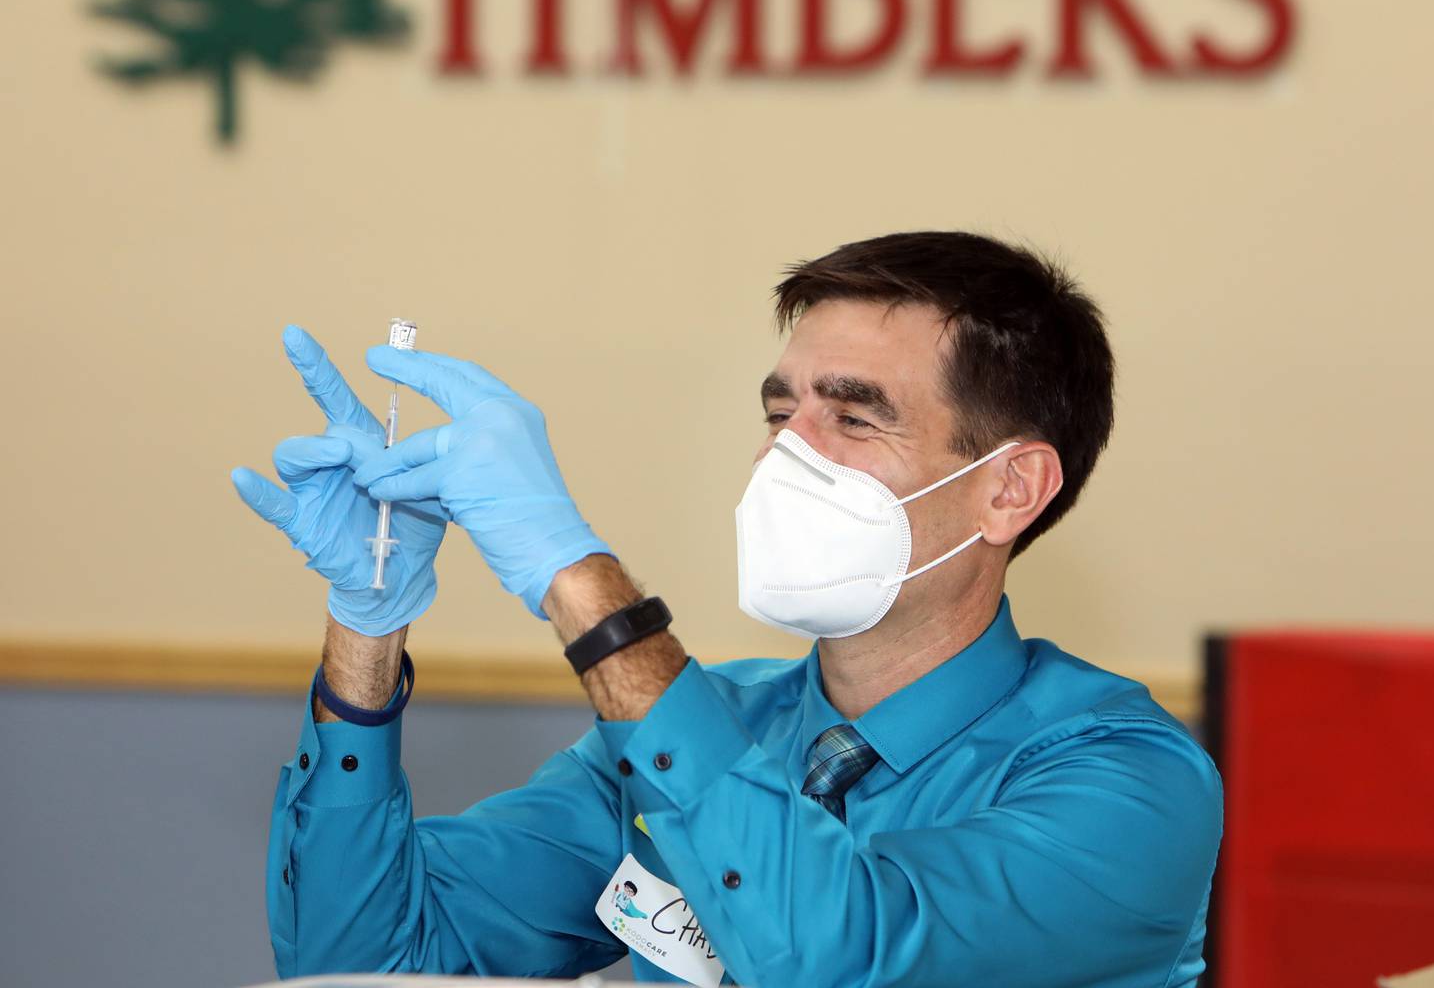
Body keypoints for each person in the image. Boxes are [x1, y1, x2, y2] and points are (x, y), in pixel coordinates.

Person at [232, 230, 1222, 987]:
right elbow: (369, 958)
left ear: (1010, 490)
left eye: (852, 417)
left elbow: (829, 955)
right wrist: (368, 626)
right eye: (780, 414)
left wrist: (575, 572)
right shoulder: (706, 729)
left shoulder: (1127, 783)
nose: (790, 454)